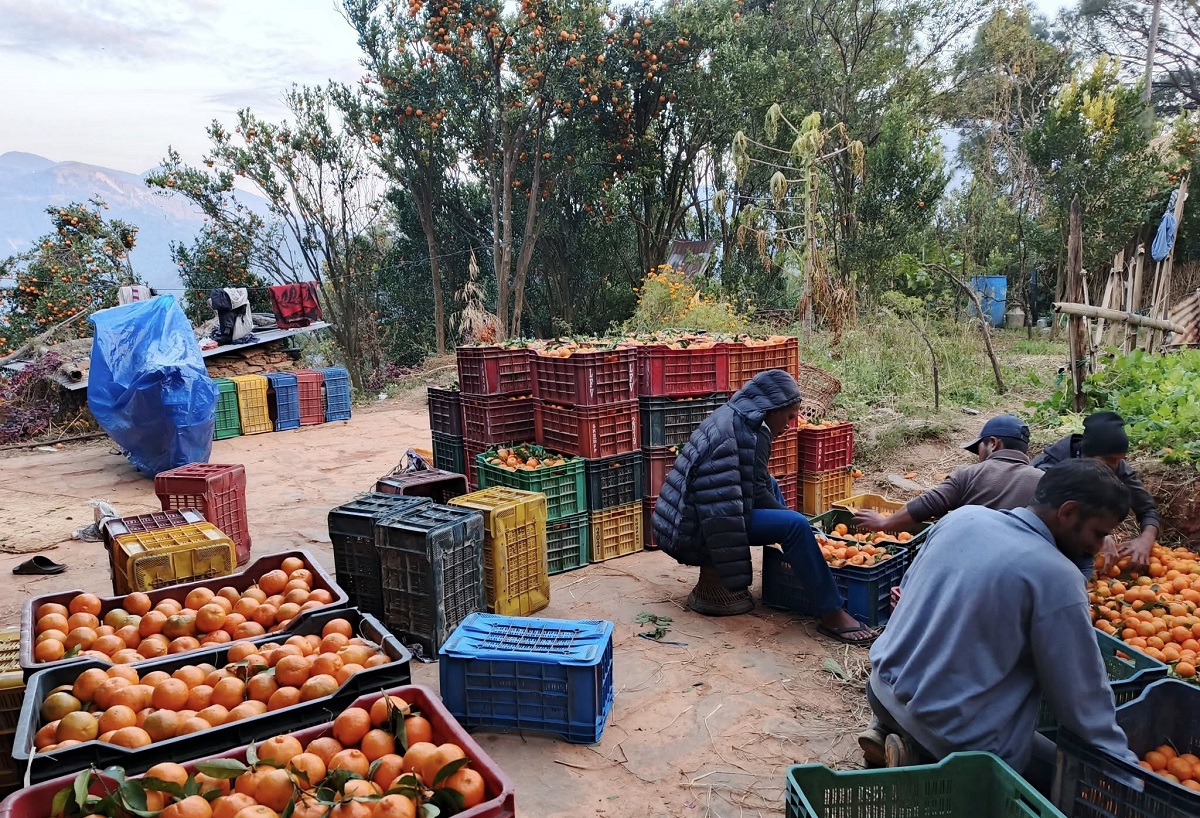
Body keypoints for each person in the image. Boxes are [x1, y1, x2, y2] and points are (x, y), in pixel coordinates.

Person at [862, 459, 1136, 779]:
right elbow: (1082, 703)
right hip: (950, 736)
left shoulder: (963, 518)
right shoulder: (1056, 577)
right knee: (1066, 773)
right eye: (1098, 533)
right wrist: (1128, 775)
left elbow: (907, 595)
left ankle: (900, 743)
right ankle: (927, 760)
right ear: (1068, 512)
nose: (1100, 547)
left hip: (881, 692)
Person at [651, 369, 877, 645]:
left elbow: (755, 484)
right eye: (790, 416)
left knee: (773, 488)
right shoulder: (749, 433)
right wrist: (799, 524)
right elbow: (751, 495)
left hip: (688, 515)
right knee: (794, 526)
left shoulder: (737, 417)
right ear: (772, 408)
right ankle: (831, 613)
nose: (791, 423)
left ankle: (791, 563)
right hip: (693, 528)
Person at [853, 414, 1044, 534]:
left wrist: (884, 523)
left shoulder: (969, 474)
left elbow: (927, 504)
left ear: (993, 443)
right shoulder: (1044, 481)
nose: (978, 457)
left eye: (979, 449)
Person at [1033, 411, 1160, 571]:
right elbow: (1040, 517)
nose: (1114, 466)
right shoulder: (1046, 470)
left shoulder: (1117, 467)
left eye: (1119, 459)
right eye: (1109, 460)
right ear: (1086, 454)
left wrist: (1146, 539)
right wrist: (1099, 535)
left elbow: (1147, 509)